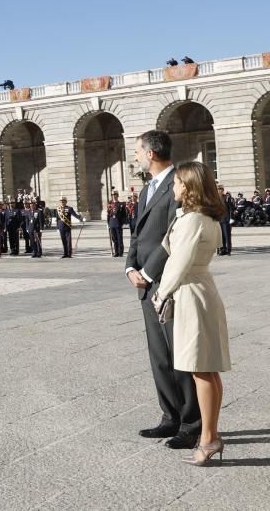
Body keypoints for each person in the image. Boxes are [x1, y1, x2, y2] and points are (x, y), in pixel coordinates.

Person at [126, 130, 200, 450]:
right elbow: (139, 233)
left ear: (151, 154)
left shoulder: (177, 184)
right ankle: (169, 415)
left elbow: (174, 234)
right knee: (159, 354)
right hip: (144, 282)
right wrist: (130, 266)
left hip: (167, 281)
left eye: (138, 152)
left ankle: (190, 423)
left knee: (178, 353)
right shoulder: (147, 189)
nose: (136, 157)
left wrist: (147, 270)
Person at [152, 162, 231, 466]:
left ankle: (209, 439)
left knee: (201, 368)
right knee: (206, 369)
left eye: (175, 183)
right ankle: (211, 436)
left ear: (186, 186)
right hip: (202, 289)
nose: (172, 188)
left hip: (190, 294)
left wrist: (161, 294)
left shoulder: (192, 220)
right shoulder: (203, 217)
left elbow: (178, 262)